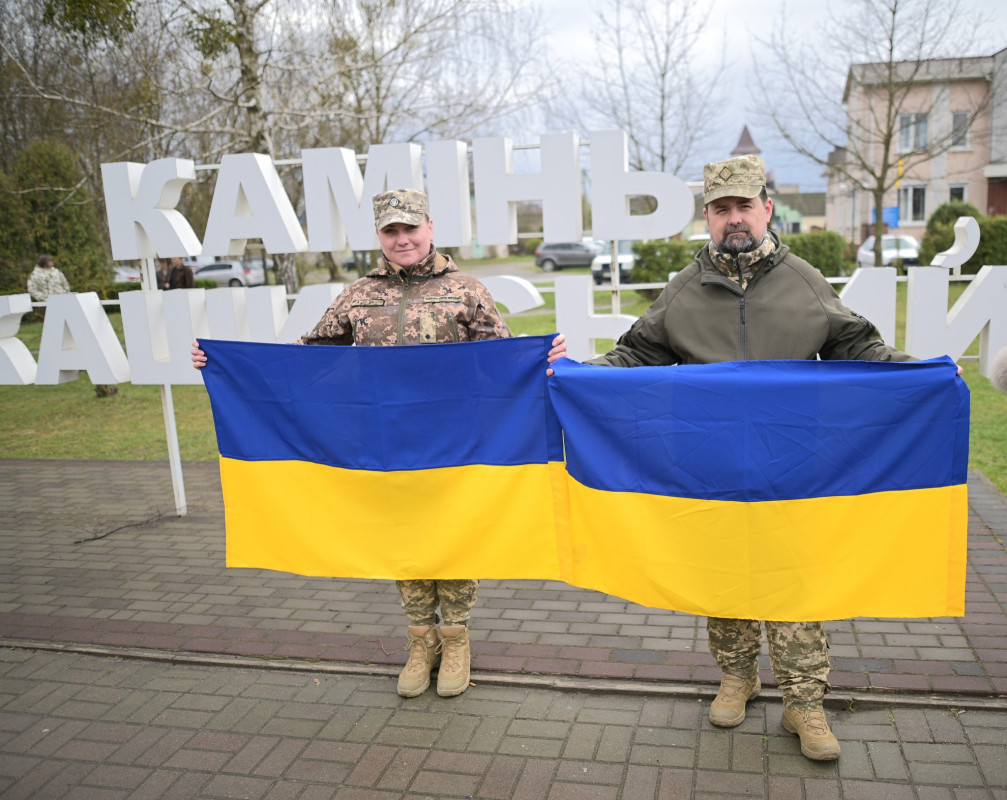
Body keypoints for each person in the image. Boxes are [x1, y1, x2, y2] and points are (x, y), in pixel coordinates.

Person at [547, 154, 919, 762]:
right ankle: (737, 677)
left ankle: (804, 703)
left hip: (795, 467)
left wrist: (922, 374)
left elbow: (860, 346)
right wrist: (577, 377)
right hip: (710, 467)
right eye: (721, 209)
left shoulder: (803, 279)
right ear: (707, 217)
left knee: (794, 584)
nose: (734, 218)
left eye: (745, 205)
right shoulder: (684, 289)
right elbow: (636, 352)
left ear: (767, 209)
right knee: (724, 580)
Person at [192, 188, 511, 699]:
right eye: (391, 230)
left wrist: (543, 358)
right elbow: (309, 359)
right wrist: (230, 366)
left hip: (454, 444)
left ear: (430, 226)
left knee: (452, 536)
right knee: (403, 538)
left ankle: (455, 639)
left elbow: (503, 361)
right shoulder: (358, 295)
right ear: (379, 236)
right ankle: (419, 641)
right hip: (386, 446)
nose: (402, 238)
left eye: (411, 228)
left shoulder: (467, 290)